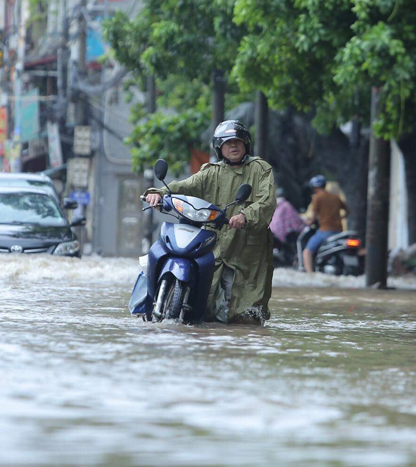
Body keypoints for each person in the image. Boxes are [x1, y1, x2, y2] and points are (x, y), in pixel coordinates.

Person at [144, 120, 277, 324]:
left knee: (243, 313)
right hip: (213, 242)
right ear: (219, 147)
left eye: (237, 142)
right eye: (228, 142)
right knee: (205, 304)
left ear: (246, 144)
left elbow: (266, 201)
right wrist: (159, 193)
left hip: (246, 249)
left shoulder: (260, 169)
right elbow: (186, 186)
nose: (233, 146)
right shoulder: (211, 171)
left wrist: (245, 216)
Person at [303, 175, 348, 273]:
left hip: (325, 230)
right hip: (339, 231)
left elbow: (313, 216)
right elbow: (347, 211)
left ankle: (309, 273)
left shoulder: (317, 198)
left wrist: (308, 222)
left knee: (307, 252)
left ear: (315, 187)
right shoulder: (336, 197)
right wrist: (340, 218)